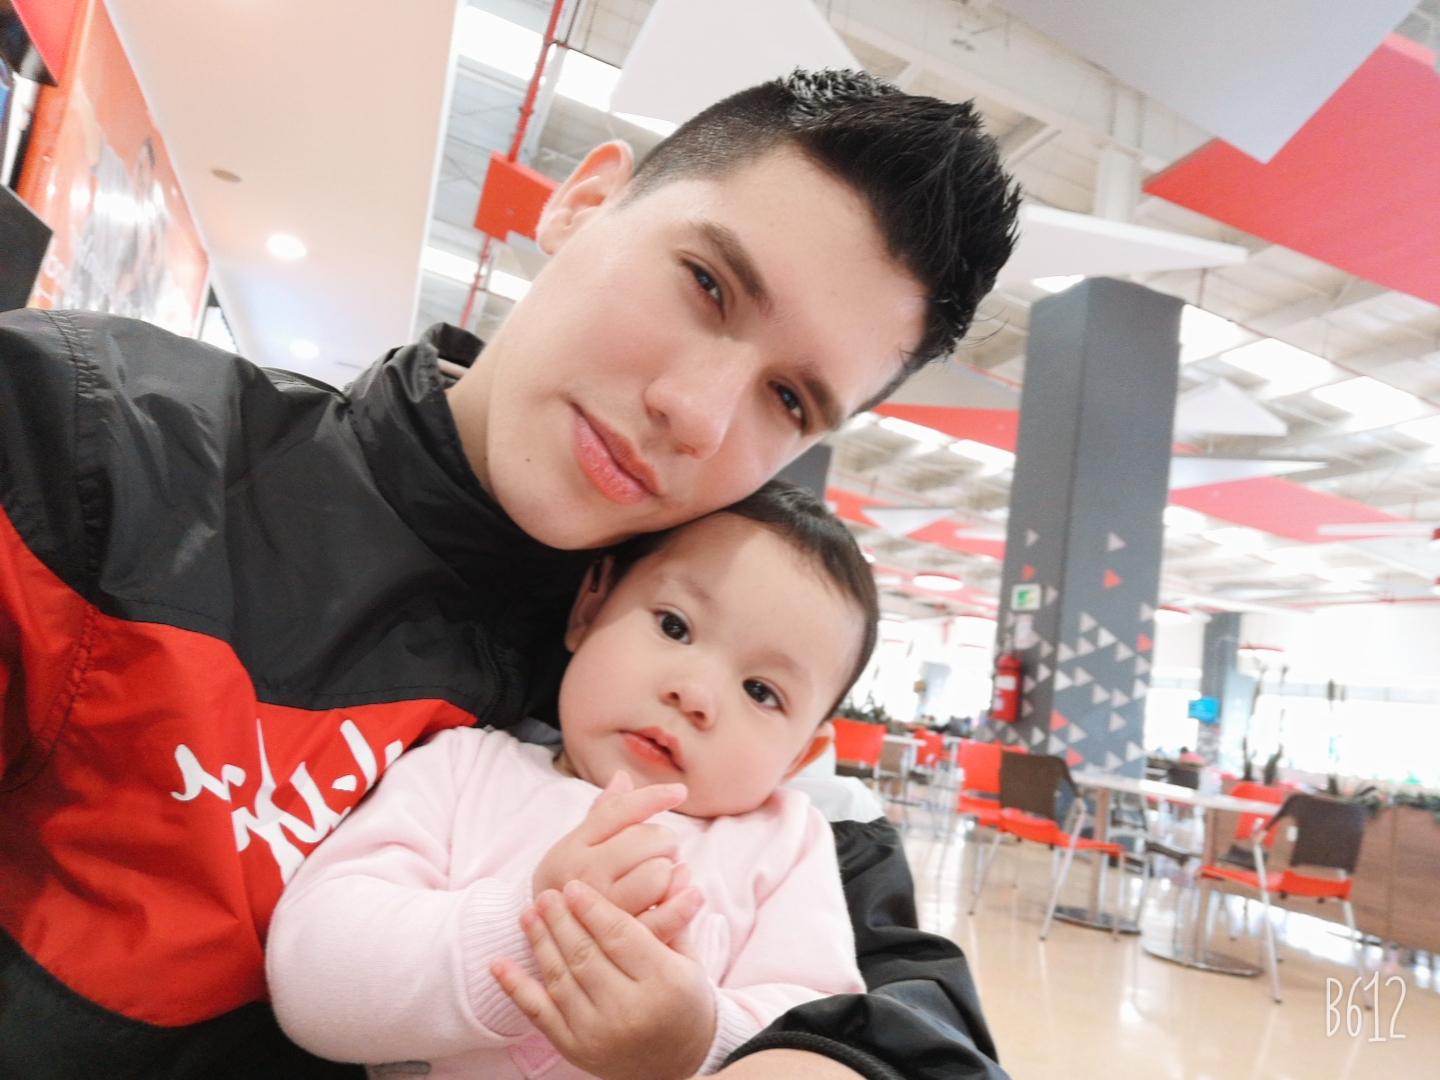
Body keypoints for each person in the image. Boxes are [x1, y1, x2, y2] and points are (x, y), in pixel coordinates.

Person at [0, 70, 1019, 1079]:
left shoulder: (740, 753)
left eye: (789, 399)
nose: (697, 413)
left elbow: (910, 1018)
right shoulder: (89, 449)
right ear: (582, 202)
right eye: (707, 284)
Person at [268, 483, 878, 1080]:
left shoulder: (784, 846)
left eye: (761, 691)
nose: (695, 694)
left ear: (800, 755)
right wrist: (530, 928)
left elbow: (819, 1028)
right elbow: (311, 975)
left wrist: (698, 1041)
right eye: (674, 626)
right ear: (590, 608)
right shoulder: (460, 768)